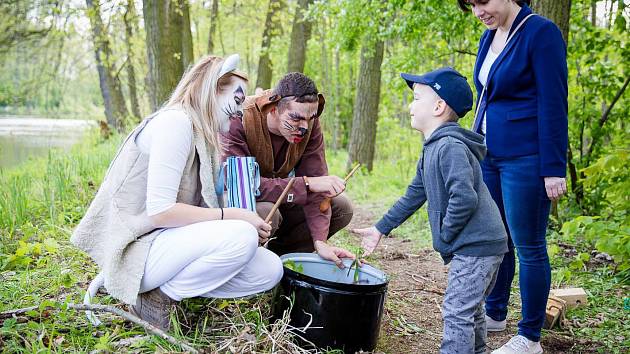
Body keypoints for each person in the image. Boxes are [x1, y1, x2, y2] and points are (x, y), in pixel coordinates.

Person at [71, 54, 283, 331]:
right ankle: (156, 301)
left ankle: (170, 292)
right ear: (212, 88)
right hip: (137, 250)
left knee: (270, 268)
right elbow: (161, 212)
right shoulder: (176, 123)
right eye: (237, 99)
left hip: (163, 247)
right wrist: (235, 216)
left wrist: (243, 219)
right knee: (240, 234)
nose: (240, 111)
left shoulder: (202, 136)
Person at [352, 67, 508, 354]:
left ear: (438, 107)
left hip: (478, 245)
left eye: (416, 98)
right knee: (469, 310)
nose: (410, 105)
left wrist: (446, 234)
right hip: (480, 245)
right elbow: (415, 194)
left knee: (457, 311)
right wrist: (379, 229)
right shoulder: (434, 147)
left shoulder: (449, 147)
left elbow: (464, 198)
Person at [457, 1, 569, 353]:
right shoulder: (489, 36)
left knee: (528, 245)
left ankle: (529, 337)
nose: (478, 11)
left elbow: (553, 102)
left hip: (527, 157)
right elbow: (486, 96)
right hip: (491, 154)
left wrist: (553, 167)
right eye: (470, 4)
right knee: (497, 238)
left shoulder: (541, 33)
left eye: (482, 1)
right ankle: (495, 312)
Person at [221, 72, 356, 267]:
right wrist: (306, 184)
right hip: (236, 204)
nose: (303, 127)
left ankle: (285, 264)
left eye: (310, 119)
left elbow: (318, 183)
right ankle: (249, 267)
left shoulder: (309, 123)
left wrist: (320, 241)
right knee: (267, 212)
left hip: (282, 197)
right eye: (296, 119)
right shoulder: (238, 118)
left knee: (340, 207)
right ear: (273, 109)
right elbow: (242, 186)